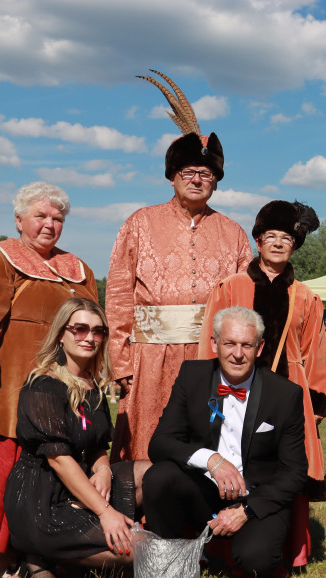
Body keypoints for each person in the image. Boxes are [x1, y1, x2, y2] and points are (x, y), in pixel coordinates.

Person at [0, 182, 98, 578]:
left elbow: (91, 324)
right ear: (19, 220)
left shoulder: (78, 268)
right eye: (41, 216)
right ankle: (2, 558)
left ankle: (45, 550)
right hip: (9, 381)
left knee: (52, 464)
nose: (49, 225)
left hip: (59, 385)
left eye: (57, 218)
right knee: (4, 464)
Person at [106, 71, 252, 462]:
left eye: (206, 174)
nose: (197, 180)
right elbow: (118, 294)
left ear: (216, 182)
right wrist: (120, 361)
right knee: (145, 437)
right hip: (149, 357)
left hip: (209, 357)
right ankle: (138, 515)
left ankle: (198, 519)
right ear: (172, 177)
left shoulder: (234, 233)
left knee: (206, 438)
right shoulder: (139, 222)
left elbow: (247, 303)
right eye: (188, 173)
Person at [198, 200, 326, 570]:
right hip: (233, 390)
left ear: (294, 245)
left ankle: (291, 550)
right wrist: (207, 392)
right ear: (257, 241)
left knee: (287, 464)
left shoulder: (305, 296)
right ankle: (221, 546)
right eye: (270, 236)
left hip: (288, 392)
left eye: (286, 238)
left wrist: (315, 403)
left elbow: (315, 349)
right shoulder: (230, 286)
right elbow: (210, 338)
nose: (277, 243)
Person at [143, 306, 308, 578]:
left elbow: (294, 473)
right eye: (229, 343)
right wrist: (211, 460)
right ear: (214, 344)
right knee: (159, 477)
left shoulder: (284, 394)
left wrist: (247, 510)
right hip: (204, 493)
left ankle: (223, 553)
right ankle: (169, 567)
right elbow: (160, 443)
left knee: (258, 564)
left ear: (260, 347)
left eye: (247, 345)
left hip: (254, 499)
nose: (237, 353)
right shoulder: (191, 376)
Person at [3, 298, 150, 578]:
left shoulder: (91, 384)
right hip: (41, 498)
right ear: (61, 333)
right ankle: (39, 555)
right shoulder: (43, 385)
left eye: (98, 331)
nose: (90, 338)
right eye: (80, 329)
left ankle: (56, 556)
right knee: (142, 550)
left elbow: (96, 446)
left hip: (80, 485)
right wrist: (105, 513)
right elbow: (58, 459)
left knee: (151, 472)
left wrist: (105, 469)